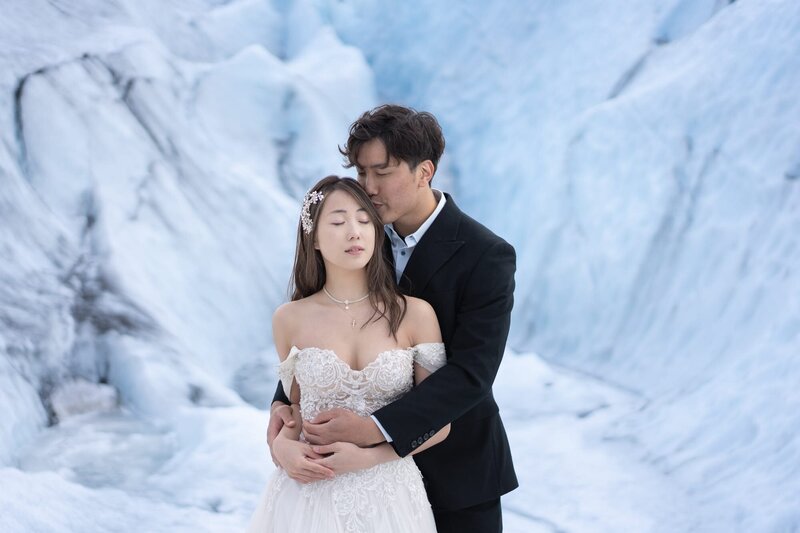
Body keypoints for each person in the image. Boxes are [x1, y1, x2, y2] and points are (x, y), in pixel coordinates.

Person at [268, 105, 518, 533]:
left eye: (381, 172)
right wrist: (281, 409)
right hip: (346, 485)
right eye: (362, 173)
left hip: (458, 471)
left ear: (425, 171)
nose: (368, 187)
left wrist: (374, 431)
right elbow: (325, 324)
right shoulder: (357, 235)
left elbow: (472, 374)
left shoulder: (486, 255)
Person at [247, 175, 450, 532]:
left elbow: (440, 423)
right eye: (338, 222)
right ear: (315, 240)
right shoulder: (288, 319)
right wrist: (282, 448)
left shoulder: (416, 314)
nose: (354, 231)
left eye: (363, 220)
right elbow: (295, 408)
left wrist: (371, 457)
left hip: (392, 497)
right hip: (308, 496)